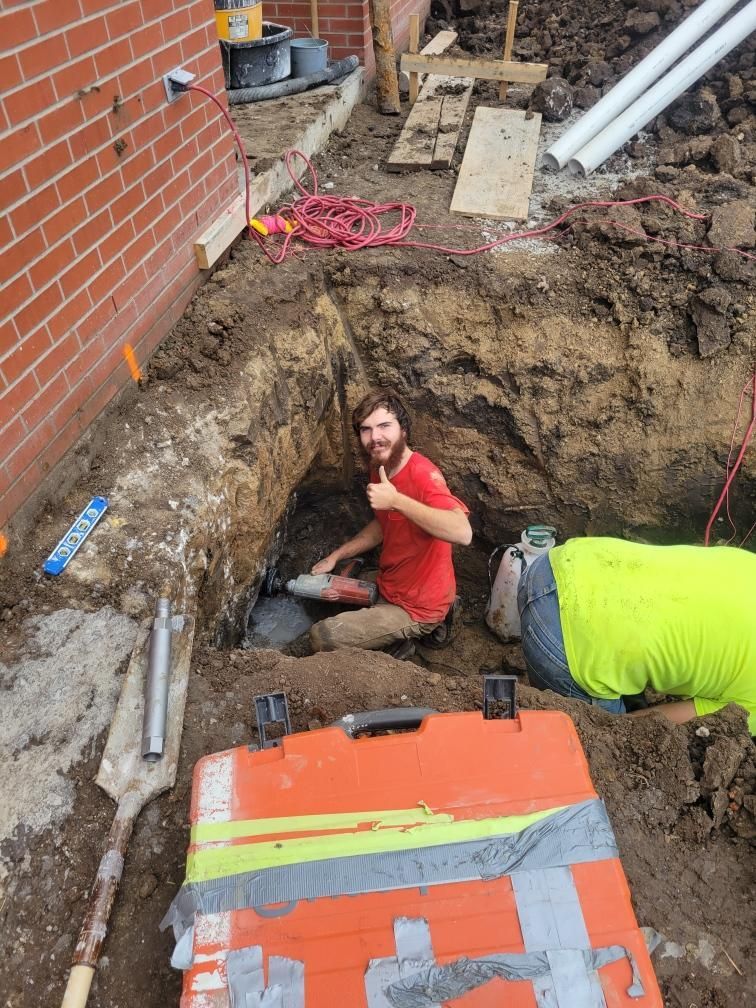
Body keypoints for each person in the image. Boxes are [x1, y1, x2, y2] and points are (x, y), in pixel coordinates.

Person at [517, 536, 756, 732]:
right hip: (560, 646)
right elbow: (648, 725)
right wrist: (613, 729)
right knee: (604, 738)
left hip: (555, 565)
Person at [309, 389, 472, 652]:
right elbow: (382, 526)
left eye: (385, 426)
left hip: (417, 606)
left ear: (403, 430)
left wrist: (395, 500)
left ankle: (403, 643)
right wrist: (336, 556)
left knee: (323, 636)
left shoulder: (423, 475)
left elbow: (462, 532)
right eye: (366, 429)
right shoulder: (381, 467)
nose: (375, 437)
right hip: (395, 581)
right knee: (341, 577)